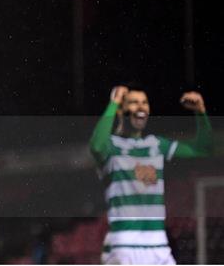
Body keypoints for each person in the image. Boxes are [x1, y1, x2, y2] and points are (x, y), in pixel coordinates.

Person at [89, 84, 213, 264]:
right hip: (124, 246)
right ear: (121, 110)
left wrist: (201, 112)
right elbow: (96, 146)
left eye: (144, 102)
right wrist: (114, 102)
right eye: (133, 102)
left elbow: (203, 149)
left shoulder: (156, 144)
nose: (141, 106)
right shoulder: (111, 146)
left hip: (158, 246)